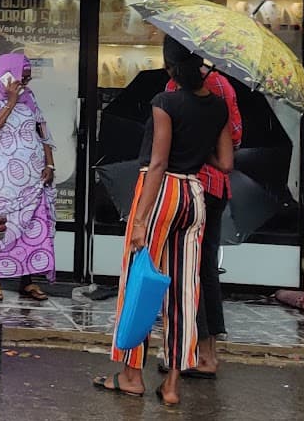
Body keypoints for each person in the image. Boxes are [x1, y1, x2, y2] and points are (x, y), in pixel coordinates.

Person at [93, 38, 233, 407]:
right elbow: (225, 163)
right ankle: (172, 384)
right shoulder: (218, 107)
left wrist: (139, 221)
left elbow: (157, 163)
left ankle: (131, 375)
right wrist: (198, 147)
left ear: (170, 67)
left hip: (161, 193)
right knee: (186, 289)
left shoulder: (164, 103)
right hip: (194, 195)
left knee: (138, 282)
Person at [163, 67, 243, 379]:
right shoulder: (222, 85)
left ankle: (199, 353)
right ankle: (203, 351)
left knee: (187, 270)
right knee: (203, 267)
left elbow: (170, 140)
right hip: (214, 188)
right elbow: (235, 137)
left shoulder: (174, 88)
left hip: (188, 185)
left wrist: (198, 148)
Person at [0, 53, 57, 302]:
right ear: (7, 74)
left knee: (32, 228)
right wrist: (11, 102)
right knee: (0, 226)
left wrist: (50, 163)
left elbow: (42, 130)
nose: (24, 83)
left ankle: (28, 281)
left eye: (27, 78)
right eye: (21, 78)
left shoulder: (30, 97)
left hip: (32, 177)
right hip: (1, 178)